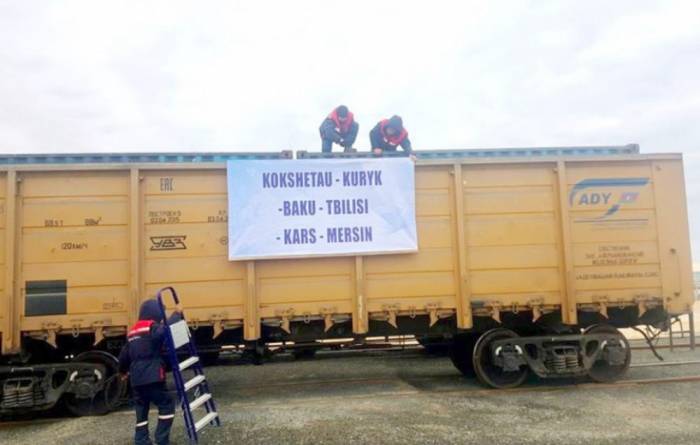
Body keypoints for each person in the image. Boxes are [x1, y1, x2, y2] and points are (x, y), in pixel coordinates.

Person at [119, 299, 183, 445]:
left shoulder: (132, 332)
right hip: (153, 376)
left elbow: (124, 356)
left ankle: (141, 441)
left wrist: (122, 372)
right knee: (166, 404)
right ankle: (161, 440)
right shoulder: (151, 328)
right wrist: (177, 313)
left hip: (136, 380)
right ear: (154, 313)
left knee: (141, 409)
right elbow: (166, 329)